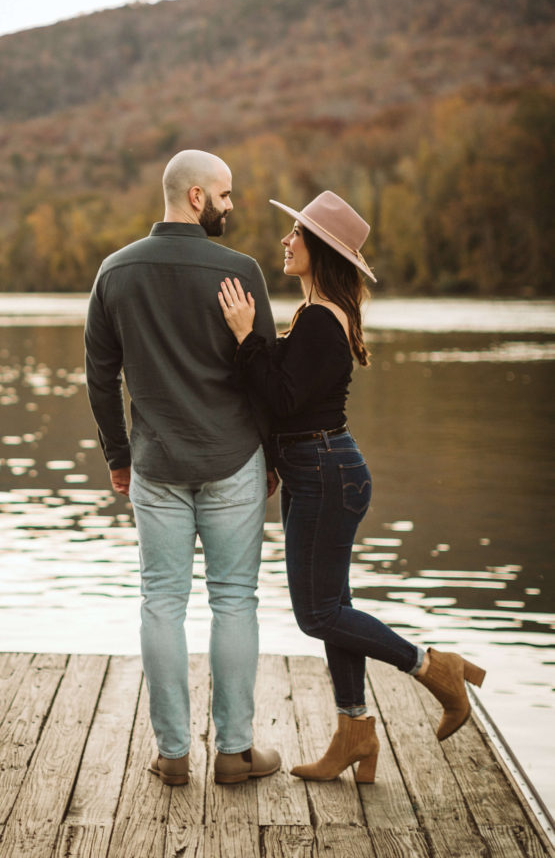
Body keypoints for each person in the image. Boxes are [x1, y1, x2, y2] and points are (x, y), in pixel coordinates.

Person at [217, 190, 486, 784]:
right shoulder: (321, 314)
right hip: (319, 468)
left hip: (323, 471)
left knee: (317, 616)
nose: (286, 242)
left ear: (320, 250)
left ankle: (434, 668)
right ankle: (355, 732)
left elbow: (282, 398)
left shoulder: (319, 318)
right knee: (334, 609)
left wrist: (244, 336)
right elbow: (291, 399)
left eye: (296, 235)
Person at [85, 149, 281, 787]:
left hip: (157, 463)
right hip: (233, 462)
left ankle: (172, 755)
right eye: (225, 194)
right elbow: (266, 375)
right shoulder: (240, 271)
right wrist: (273, 460)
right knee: (233, 602)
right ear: (196, 197)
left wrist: (119, 456)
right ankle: (235, 752)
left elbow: (100, 377)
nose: (231, 205)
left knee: (161, 604)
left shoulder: (114, 273)